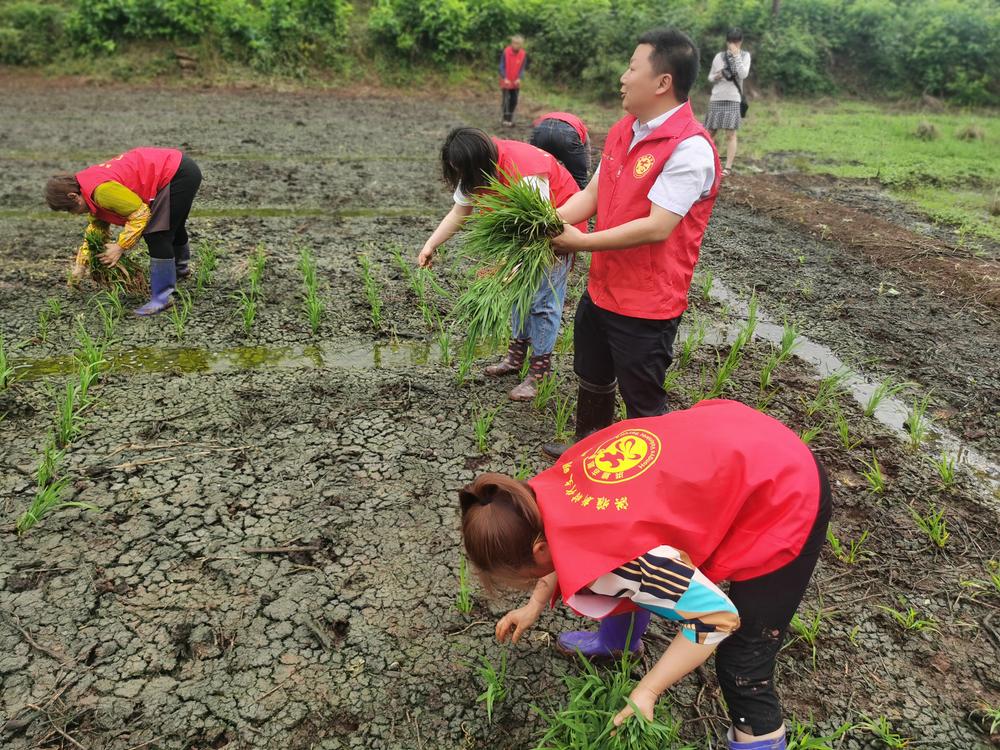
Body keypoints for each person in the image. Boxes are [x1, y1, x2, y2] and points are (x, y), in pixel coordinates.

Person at [459, 399, 833, 750]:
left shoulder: (633, 561)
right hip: (734, 438)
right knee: (619, 575)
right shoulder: (538, 495)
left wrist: (649, 690)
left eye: (520, 578)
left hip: (785, 488)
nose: (521, 584)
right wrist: (535, 604)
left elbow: (717, 618)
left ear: (538, 549)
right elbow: (559, 552)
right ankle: (618, 644)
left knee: (743, 661)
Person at [543, 28, 719, 458]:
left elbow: (658, 226)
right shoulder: (625, 129)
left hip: (647, 302)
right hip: (604, 288)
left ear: (663, 82)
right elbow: (590, 197)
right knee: (592, 371)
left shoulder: (689, 148)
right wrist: (542, 224)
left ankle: (650, 484)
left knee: (642, 400)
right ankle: (589, 448)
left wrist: (577, 244)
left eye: (632, 67)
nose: (623, 77)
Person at [417, 128, 584, 400]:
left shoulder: (525, 171)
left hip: (556, 228)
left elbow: (538, 227)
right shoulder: (474, 168)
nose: (462, 178)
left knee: (543, 301)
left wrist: (511, 266)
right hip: (523, 231)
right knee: (519, 296)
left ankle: (539, 374)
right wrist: (431, 244)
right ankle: (515, 359)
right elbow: (459, 213)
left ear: (480, 163)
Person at [44, 147, 202, 315]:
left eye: (69, 210)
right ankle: (180, 269)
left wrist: (120, 246)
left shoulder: (102, 191)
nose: (73, 214)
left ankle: (162, 299)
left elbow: (141, 214)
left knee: (157, 234)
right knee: (172, 226)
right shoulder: (87, 188)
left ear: (73, 197)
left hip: (176, 174)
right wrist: (80, 265)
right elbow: (96, 229)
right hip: (177, 167)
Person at [705, 28, 751, 176]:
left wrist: (737, 56)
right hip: (717, 98)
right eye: (731, 42)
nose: (733, 44)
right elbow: (710, 77)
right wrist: (717, 76)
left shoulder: (745, 56)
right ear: (727, 42)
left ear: (741, 42)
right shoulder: (719, 56)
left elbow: (743, 74)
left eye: (736, 42)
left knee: (730, 134)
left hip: (733, 98)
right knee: (710, 132)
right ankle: (706, 162)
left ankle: (728, 167)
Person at [529, 112, 591, 189]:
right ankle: (579, 197)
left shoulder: (545, 117)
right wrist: (585, 172)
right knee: (579, 180)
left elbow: (532, 150)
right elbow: (586, 151)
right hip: (567, 133)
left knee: (536, 172)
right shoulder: (580, 127)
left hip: (542, 129)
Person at [499, 35, 527, 127]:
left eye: (518, 43)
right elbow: (501, 66)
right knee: (505, 101)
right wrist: (504, 77)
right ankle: (505, 119)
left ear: (521, 45)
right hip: (506, 81)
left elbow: (522, 68)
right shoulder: (506, 52)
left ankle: (510, 119)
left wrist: (519, 78)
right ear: (512, 43)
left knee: (514, 101)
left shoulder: (523, 54)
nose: (515, 45)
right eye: (514, 43)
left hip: (516, 82)